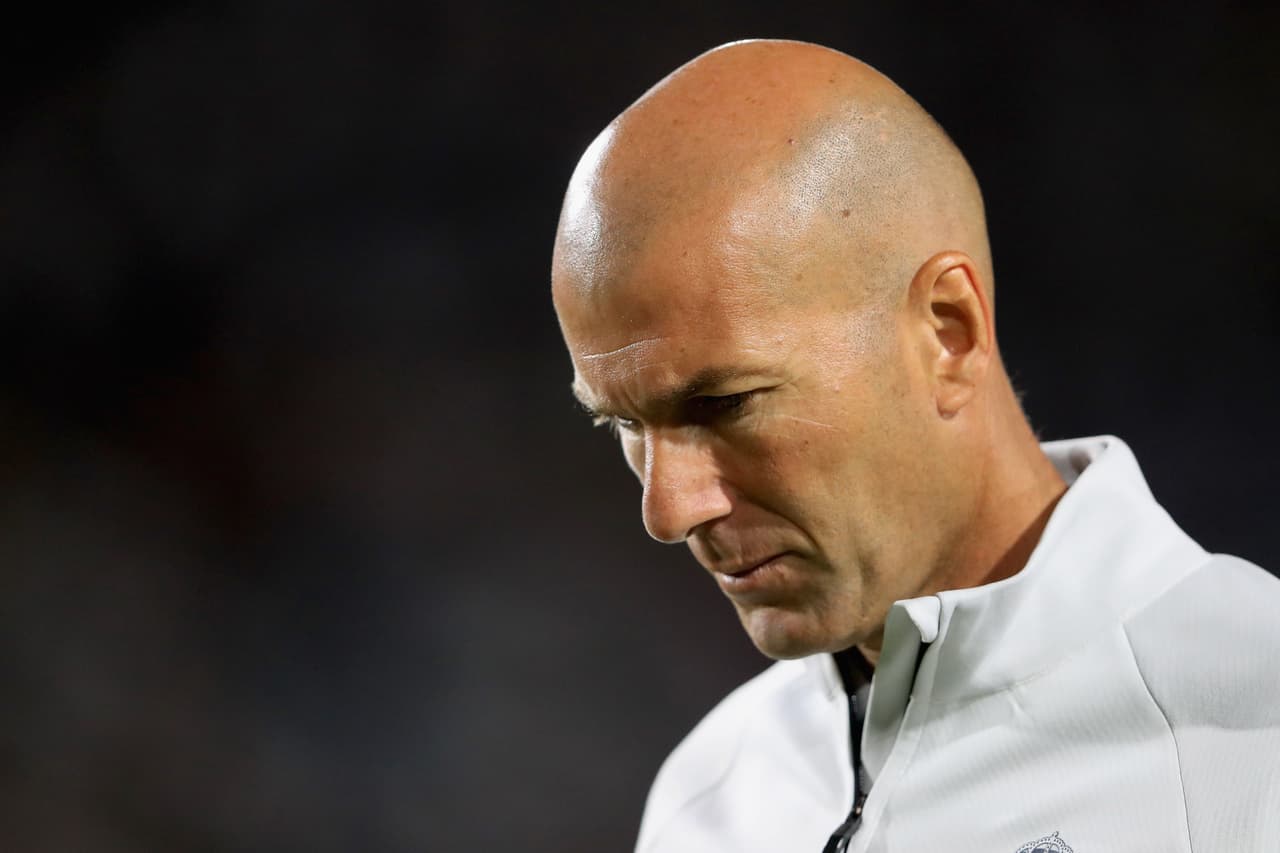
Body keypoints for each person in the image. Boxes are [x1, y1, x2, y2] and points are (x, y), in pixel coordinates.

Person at [549, 39, 1280, 852]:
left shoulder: (1257, 749)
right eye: (622, 423)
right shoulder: (709, 796)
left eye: (724, 402)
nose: (668, 508)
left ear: (948, 331)